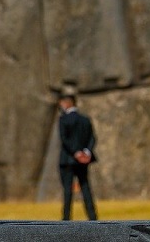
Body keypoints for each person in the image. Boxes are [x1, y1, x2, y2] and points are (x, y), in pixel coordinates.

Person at [58, 93, 98, 221]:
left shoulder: (63, 119)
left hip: (68, 160)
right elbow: (92, 138)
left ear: (68, 103)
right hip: (83, 161)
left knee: (68, 190)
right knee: (85, 187)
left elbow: (64, 139)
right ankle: (92, 217)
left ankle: (66, 218)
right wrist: (86, 152)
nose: (61, 105)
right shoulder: (85, 119)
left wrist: (76, 153)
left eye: (62, 102)